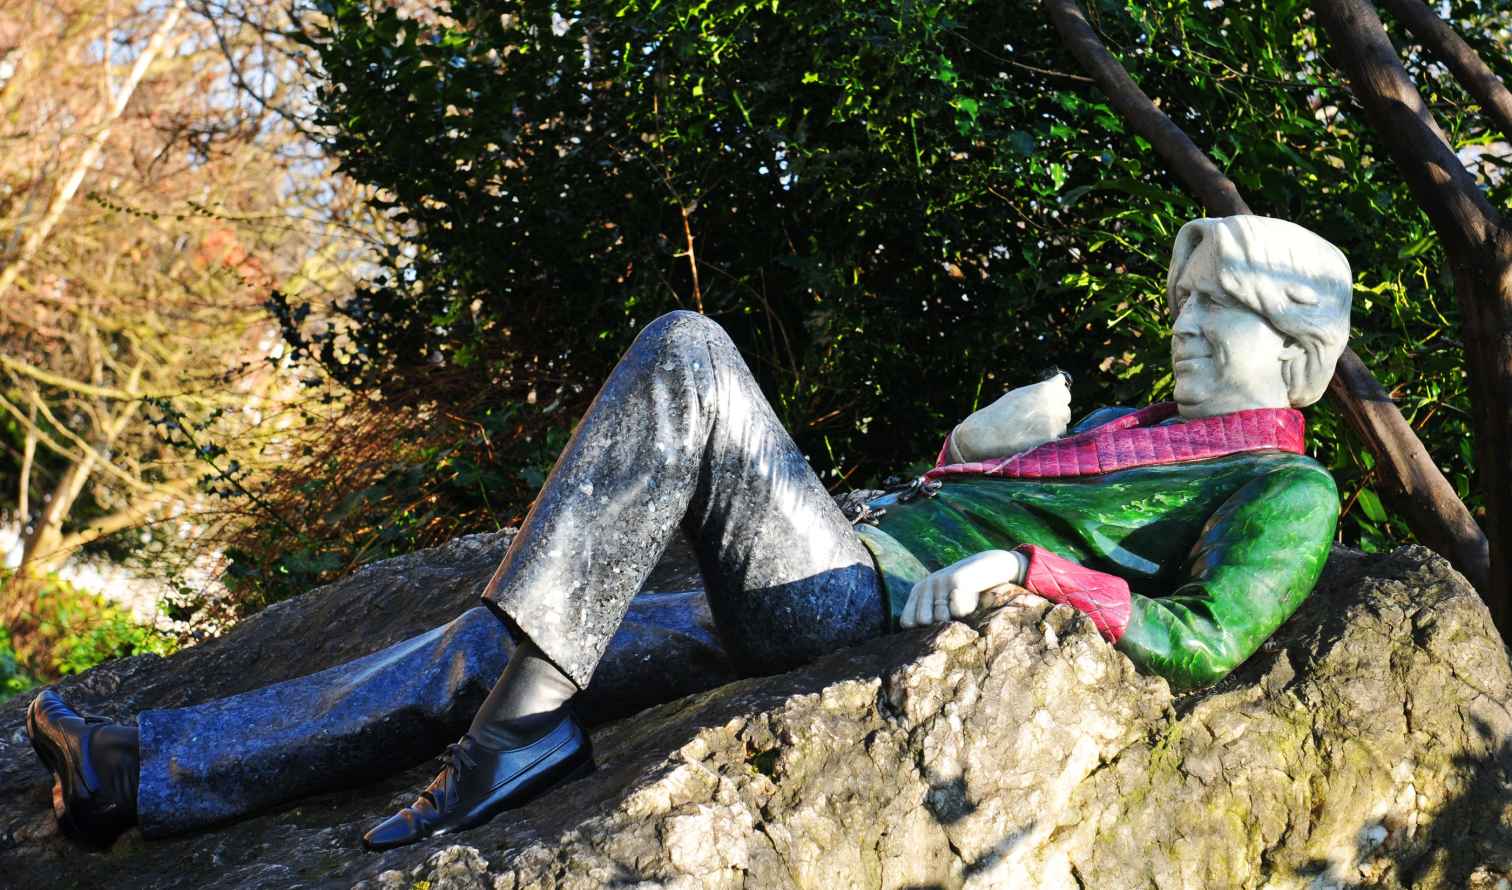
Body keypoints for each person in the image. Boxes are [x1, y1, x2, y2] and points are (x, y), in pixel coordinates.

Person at [26, 214, 1351, 853]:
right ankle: (143, 770)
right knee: (487, 638)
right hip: (840, 554)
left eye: (1218, 312)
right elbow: (967, 486)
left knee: (690, 352)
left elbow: (1211, 629)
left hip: (858, 606)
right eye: (1182, 301)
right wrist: (979, 448)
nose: (1184, 326)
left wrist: (1026, 565)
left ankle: (526, 739)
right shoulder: (1122, 425)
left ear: (1296, 357)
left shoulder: (1289, 490)